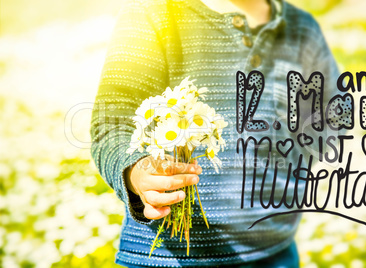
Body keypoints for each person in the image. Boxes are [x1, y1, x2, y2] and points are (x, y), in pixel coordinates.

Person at [90, 0, 339, 267]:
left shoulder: (301, 29)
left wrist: (289, 169)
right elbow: (111, 123)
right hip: (168, 257)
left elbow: (332, 113)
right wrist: (137, 172)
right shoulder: (154, 12)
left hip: (275, 251)